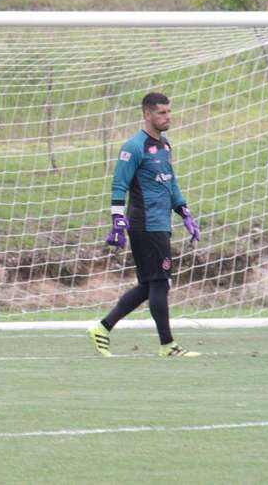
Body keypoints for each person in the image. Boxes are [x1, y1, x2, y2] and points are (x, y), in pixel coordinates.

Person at [88, 93, 201, 358]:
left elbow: (170, 182)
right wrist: (117, 220)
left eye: (169, 111)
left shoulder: (164, 146)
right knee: (160, 283)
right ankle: (168, 346)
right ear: (147, 114)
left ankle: (102, 329)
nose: (167, 116)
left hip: (161, 223)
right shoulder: (133, 147)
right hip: (145, 224)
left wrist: (184, 212)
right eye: (161, 112)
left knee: (148, 285)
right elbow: (119, 184)